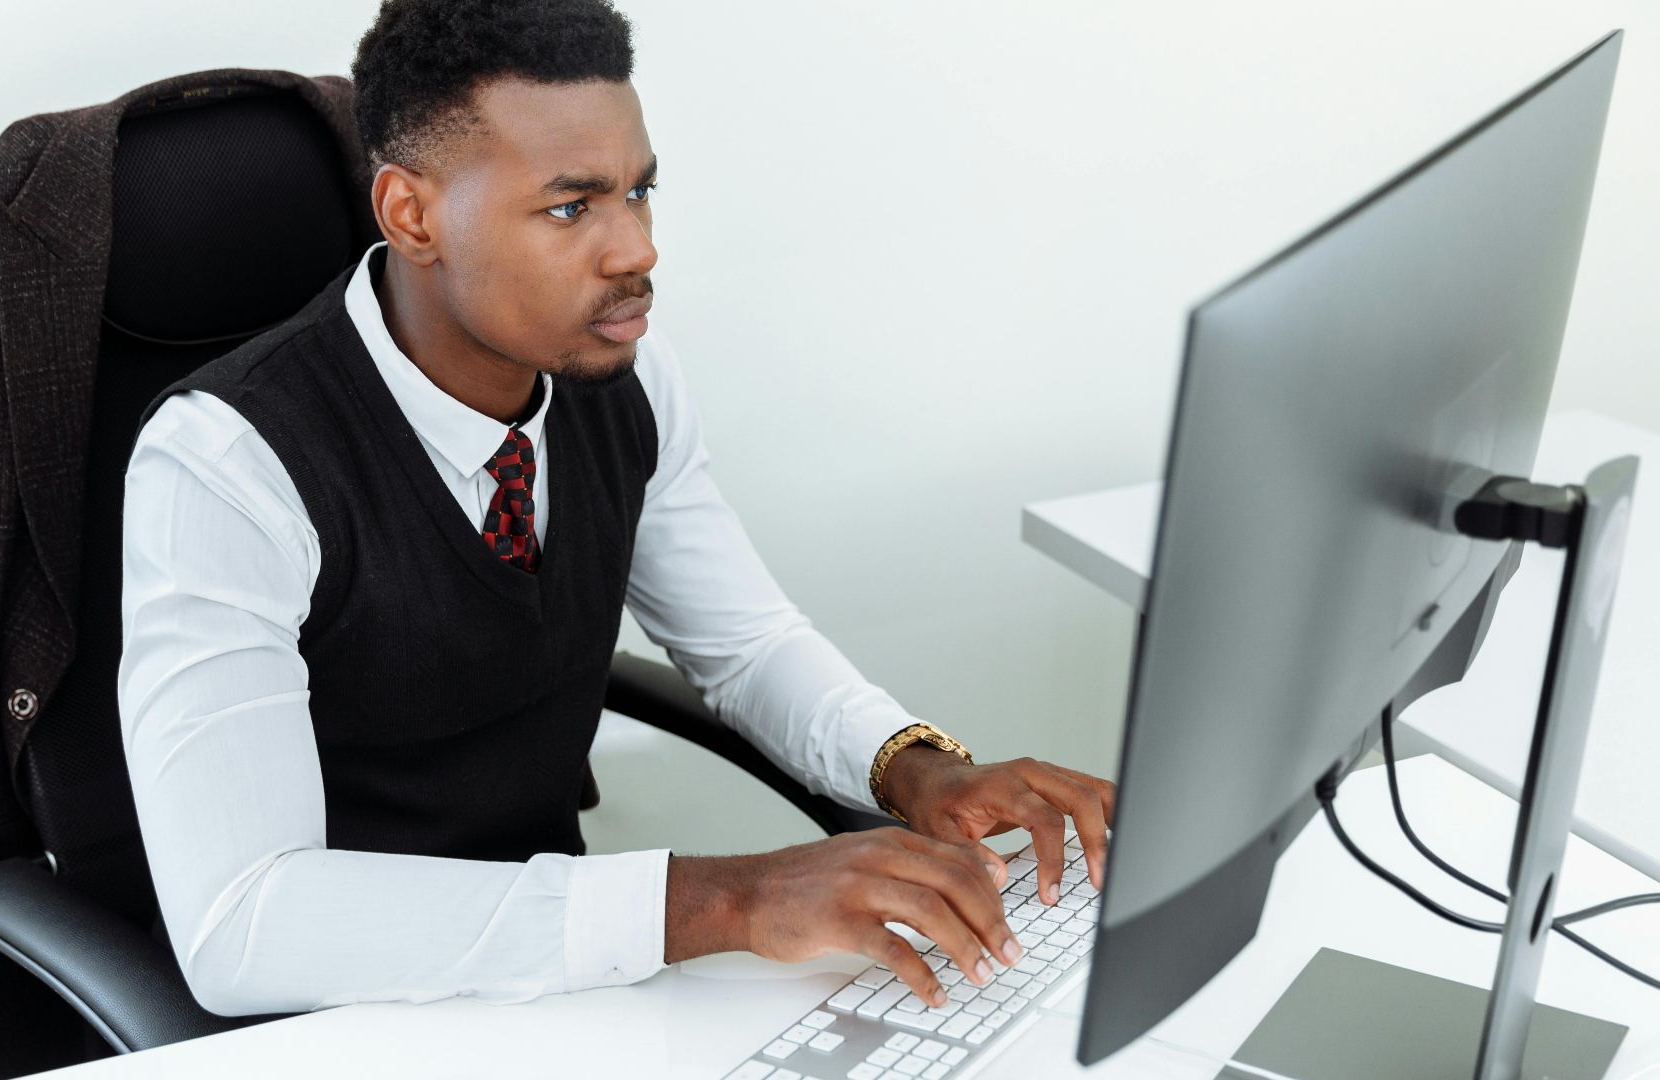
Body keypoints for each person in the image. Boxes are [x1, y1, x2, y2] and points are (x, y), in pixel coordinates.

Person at [116, 0, 1116, 1019]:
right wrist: (730, 898)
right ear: (412, 216)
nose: (633, 249)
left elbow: (746, 643)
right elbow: (244, 922)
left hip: (560, 983)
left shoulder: (619, 374)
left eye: (640, 191)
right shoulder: (226, 466)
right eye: (570, 207)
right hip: (323, 1018)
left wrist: (913, 769)